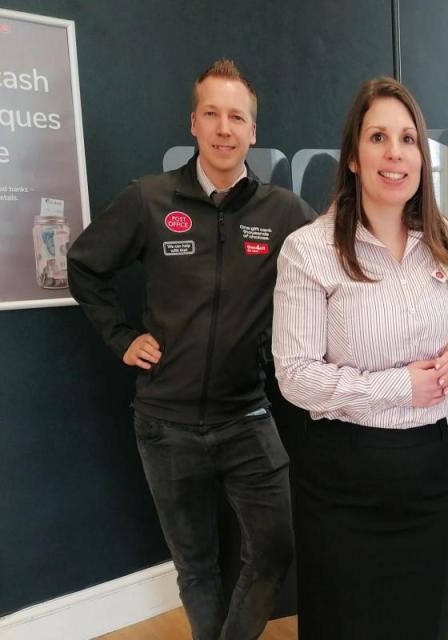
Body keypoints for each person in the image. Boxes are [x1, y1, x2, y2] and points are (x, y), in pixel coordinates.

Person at [67, 58, 314, 640]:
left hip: (246, 415)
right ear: (194, 124)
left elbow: (335, 263)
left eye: (237, 117)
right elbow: (82, 266)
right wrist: (122, 338)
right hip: (165, 423)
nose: (225, 128)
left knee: (276, 549)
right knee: (196, 568)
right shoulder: (149, 199)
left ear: (253, 131)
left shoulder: (281, 212)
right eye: (212, 114)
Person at [272, 77, 448, 639]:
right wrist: (398, 387)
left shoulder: (437, 237)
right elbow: (295, 375)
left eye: (408, 139)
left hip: (427, 472)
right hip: (344, 485)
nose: (395, 152)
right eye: (378, 136)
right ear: (354, 157)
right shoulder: (308, 250)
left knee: (413, 624)